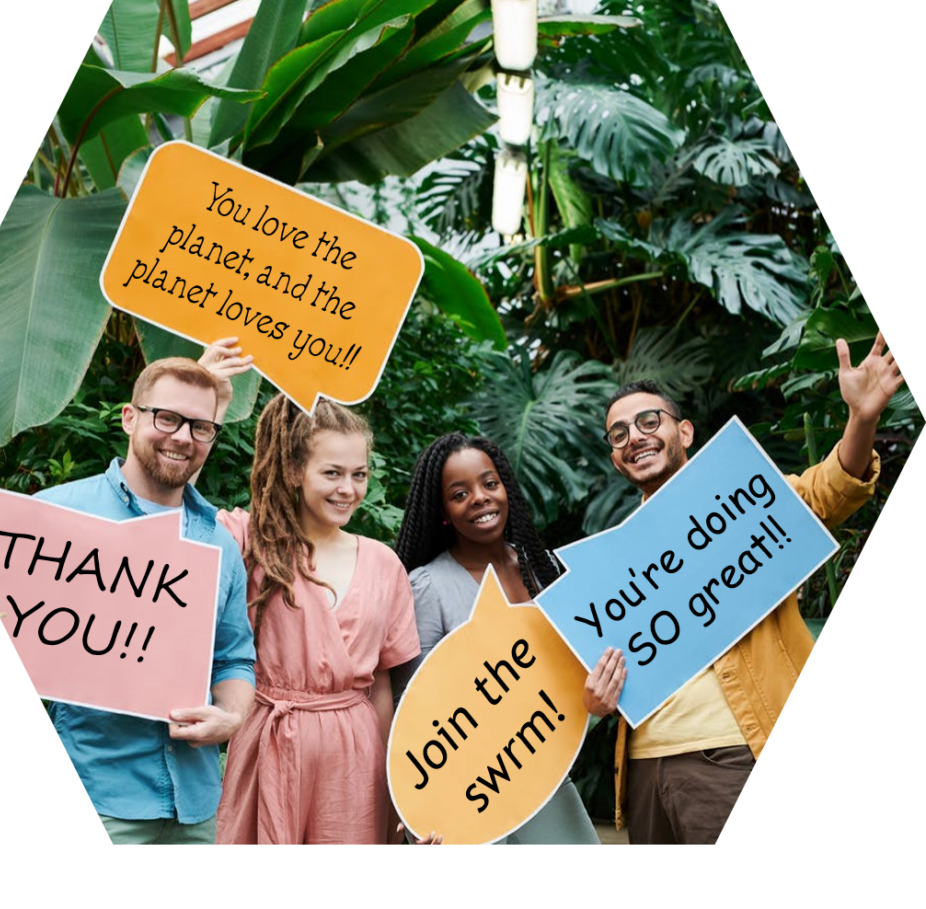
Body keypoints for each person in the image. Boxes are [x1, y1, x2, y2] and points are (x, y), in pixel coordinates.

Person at [592, 330, 903, 845]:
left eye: (649, 421)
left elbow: (828, 492)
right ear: (614, 458)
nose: (635, 436)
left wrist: (862, 418)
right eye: (619, 433)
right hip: (645, 768)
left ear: (685, 432)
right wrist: (595, 695)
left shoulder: (743, 505)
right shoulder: (615, 559)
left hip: (733, 749)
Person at [201, 342, 421, 845]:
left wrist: (395, 792)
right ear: (296, 470)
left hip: (354, 759)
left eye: (359, 474)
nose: (348, 488)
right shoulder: (250, 541)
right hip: (269, 740)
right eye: (333, 473)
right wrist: (208, 402)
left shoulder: (384, 563)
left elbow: (382, 688)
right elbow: (178, 529)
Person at [39, 357, 256, 845]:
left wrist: (232, 717)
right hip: (100, 792)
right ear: (129, 417)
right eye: (167, 418)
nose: (183, 437)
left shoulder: (219, 544)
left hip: (196, 805)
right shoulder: (56, 516)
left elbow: (235, 658)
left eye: (201, 427)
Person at [393, 431, 615, 845]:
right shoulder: (428, 587)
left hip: (541, 777)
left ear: (506, 489)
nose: (479, 498)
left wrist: (597, 705)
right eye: (460, 493)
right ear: (442, 510)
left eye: (489, 484)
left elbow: (575, 680)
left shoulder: (543, 571)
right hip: (464, 800)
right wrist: (413, 807)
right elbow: (410, 707)